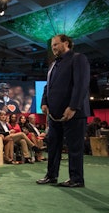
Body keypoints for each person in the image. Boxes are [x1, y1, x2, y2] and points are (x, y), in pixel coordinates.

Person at [37, 34, 90, 188]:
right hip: (54, 114)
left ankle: (76, 179)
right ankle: (51, 175)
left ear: (66, 43)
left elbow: (81, 84)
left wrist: (73, 106)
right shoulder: (53, 64)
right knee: (53, 146)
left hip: (74, 113)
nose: (53, 48)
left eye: (55, 44)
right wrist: (44, 102)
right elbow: (48, 86)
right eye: (52, 45)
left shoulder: (78, 58)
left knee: (74, 148)